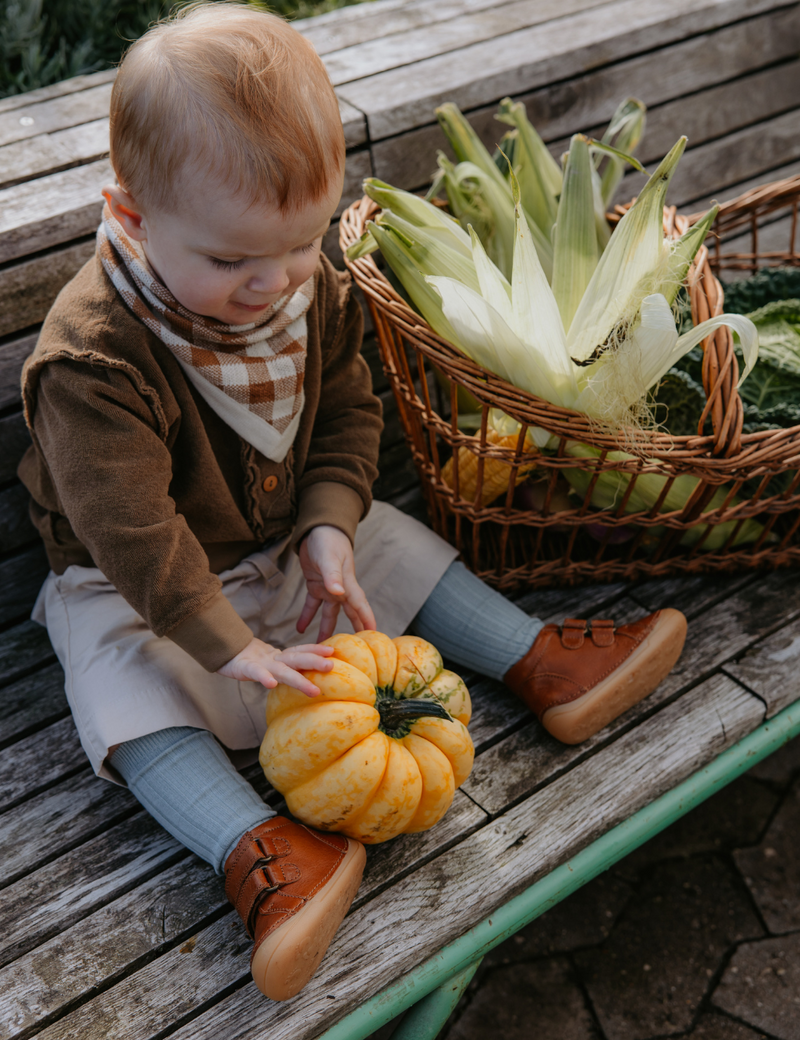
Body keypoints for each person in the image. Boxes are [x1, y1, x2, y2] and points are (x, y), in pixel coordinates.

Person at [18, 1, 688, 1003]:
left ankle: (539, 659)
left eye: (296, 244)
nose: (270, 282)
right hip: (136, 581)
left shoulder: (303, 289)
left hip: (279, 536)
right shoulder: (93, 357)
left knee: (383, 541)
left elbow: (345, 410)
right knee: (117, 688)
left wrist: (328, 524)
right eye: (232, 259)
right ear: (132, 217)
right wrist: (230, 647)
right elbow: (131, 531)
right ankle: (264, 850)